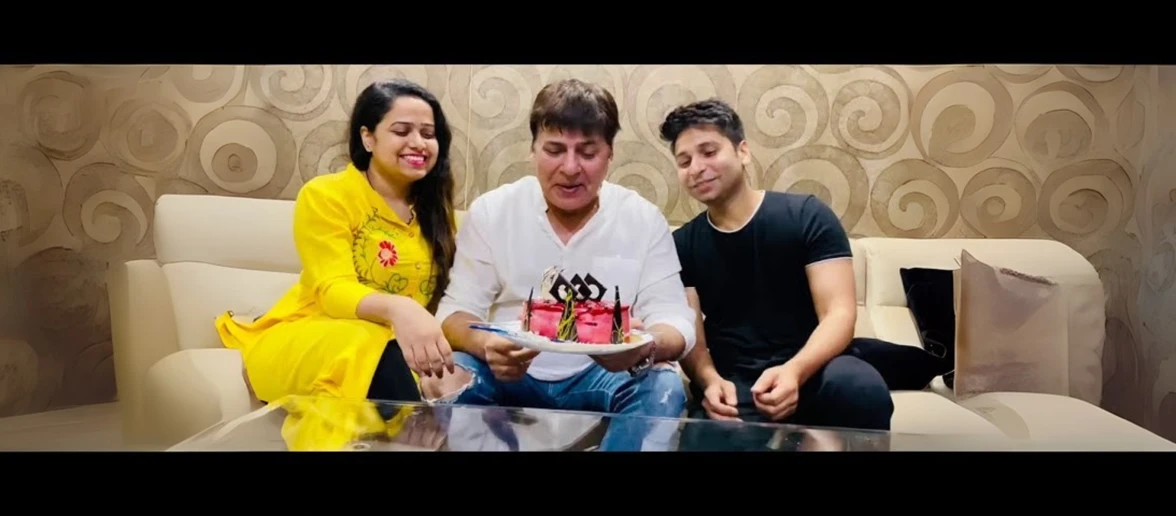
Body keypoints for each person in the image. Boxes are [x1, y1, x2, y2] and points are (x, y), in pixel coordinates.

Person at [421, 78, 696, 451]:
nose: (570, 167)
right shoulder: (493, 211)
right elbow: (455, 311)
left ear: (610, 154)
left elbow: (675, 319)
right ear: (533, 150)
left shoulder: (643, 219)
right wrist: (486, 345)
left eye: (587, 152)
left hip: (602, 374)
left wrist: (645, 347)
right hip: (512, 372)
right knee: (446, 375)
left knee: (662, 386)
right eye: (554, 150)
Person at [214, 78, 459, 423]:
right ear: (368, 138)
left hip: (397, 348)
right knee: (371, 344)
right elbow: (333, 289)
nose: (418, 143)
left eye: (428, 134)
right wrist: (400, 309)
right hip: (319, 338)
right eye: (402, 131)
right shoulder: (326, 195)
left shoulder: (438, 212)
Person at [659, 98, 894, 432]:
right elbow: (690, 335)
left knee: (860, 388)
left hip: (815, 368)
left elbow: (839, 313)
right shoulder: (683, 243)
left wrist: (795, 371)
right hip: (737, 382)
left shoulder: (807, 215)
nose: (696, 168)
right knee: (710, 434)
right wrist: (709, 380)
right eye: (684, 161)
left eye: (709, 152)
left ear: (743, 151)